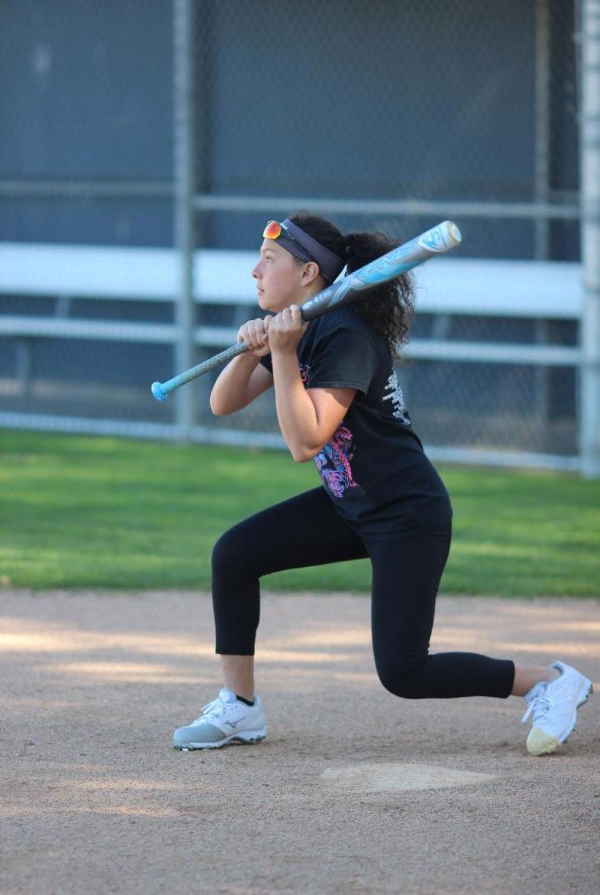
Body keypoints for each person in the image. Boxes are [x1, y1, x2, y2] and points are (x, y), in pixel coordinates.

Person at [173, 213, 593, 756]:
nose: (255, 270)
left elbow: (306, 443)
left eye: (269, 260)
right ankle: (240, 708)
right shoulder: (299, 327)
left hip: (406, 515)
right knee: (235, 554)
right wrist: (254, 350)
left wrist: (278, 352)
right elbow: (222, 403)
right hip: (352, 504)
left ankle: (549, 680)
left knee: (404, 671)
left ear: (306, 273)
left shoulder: (344, 336)